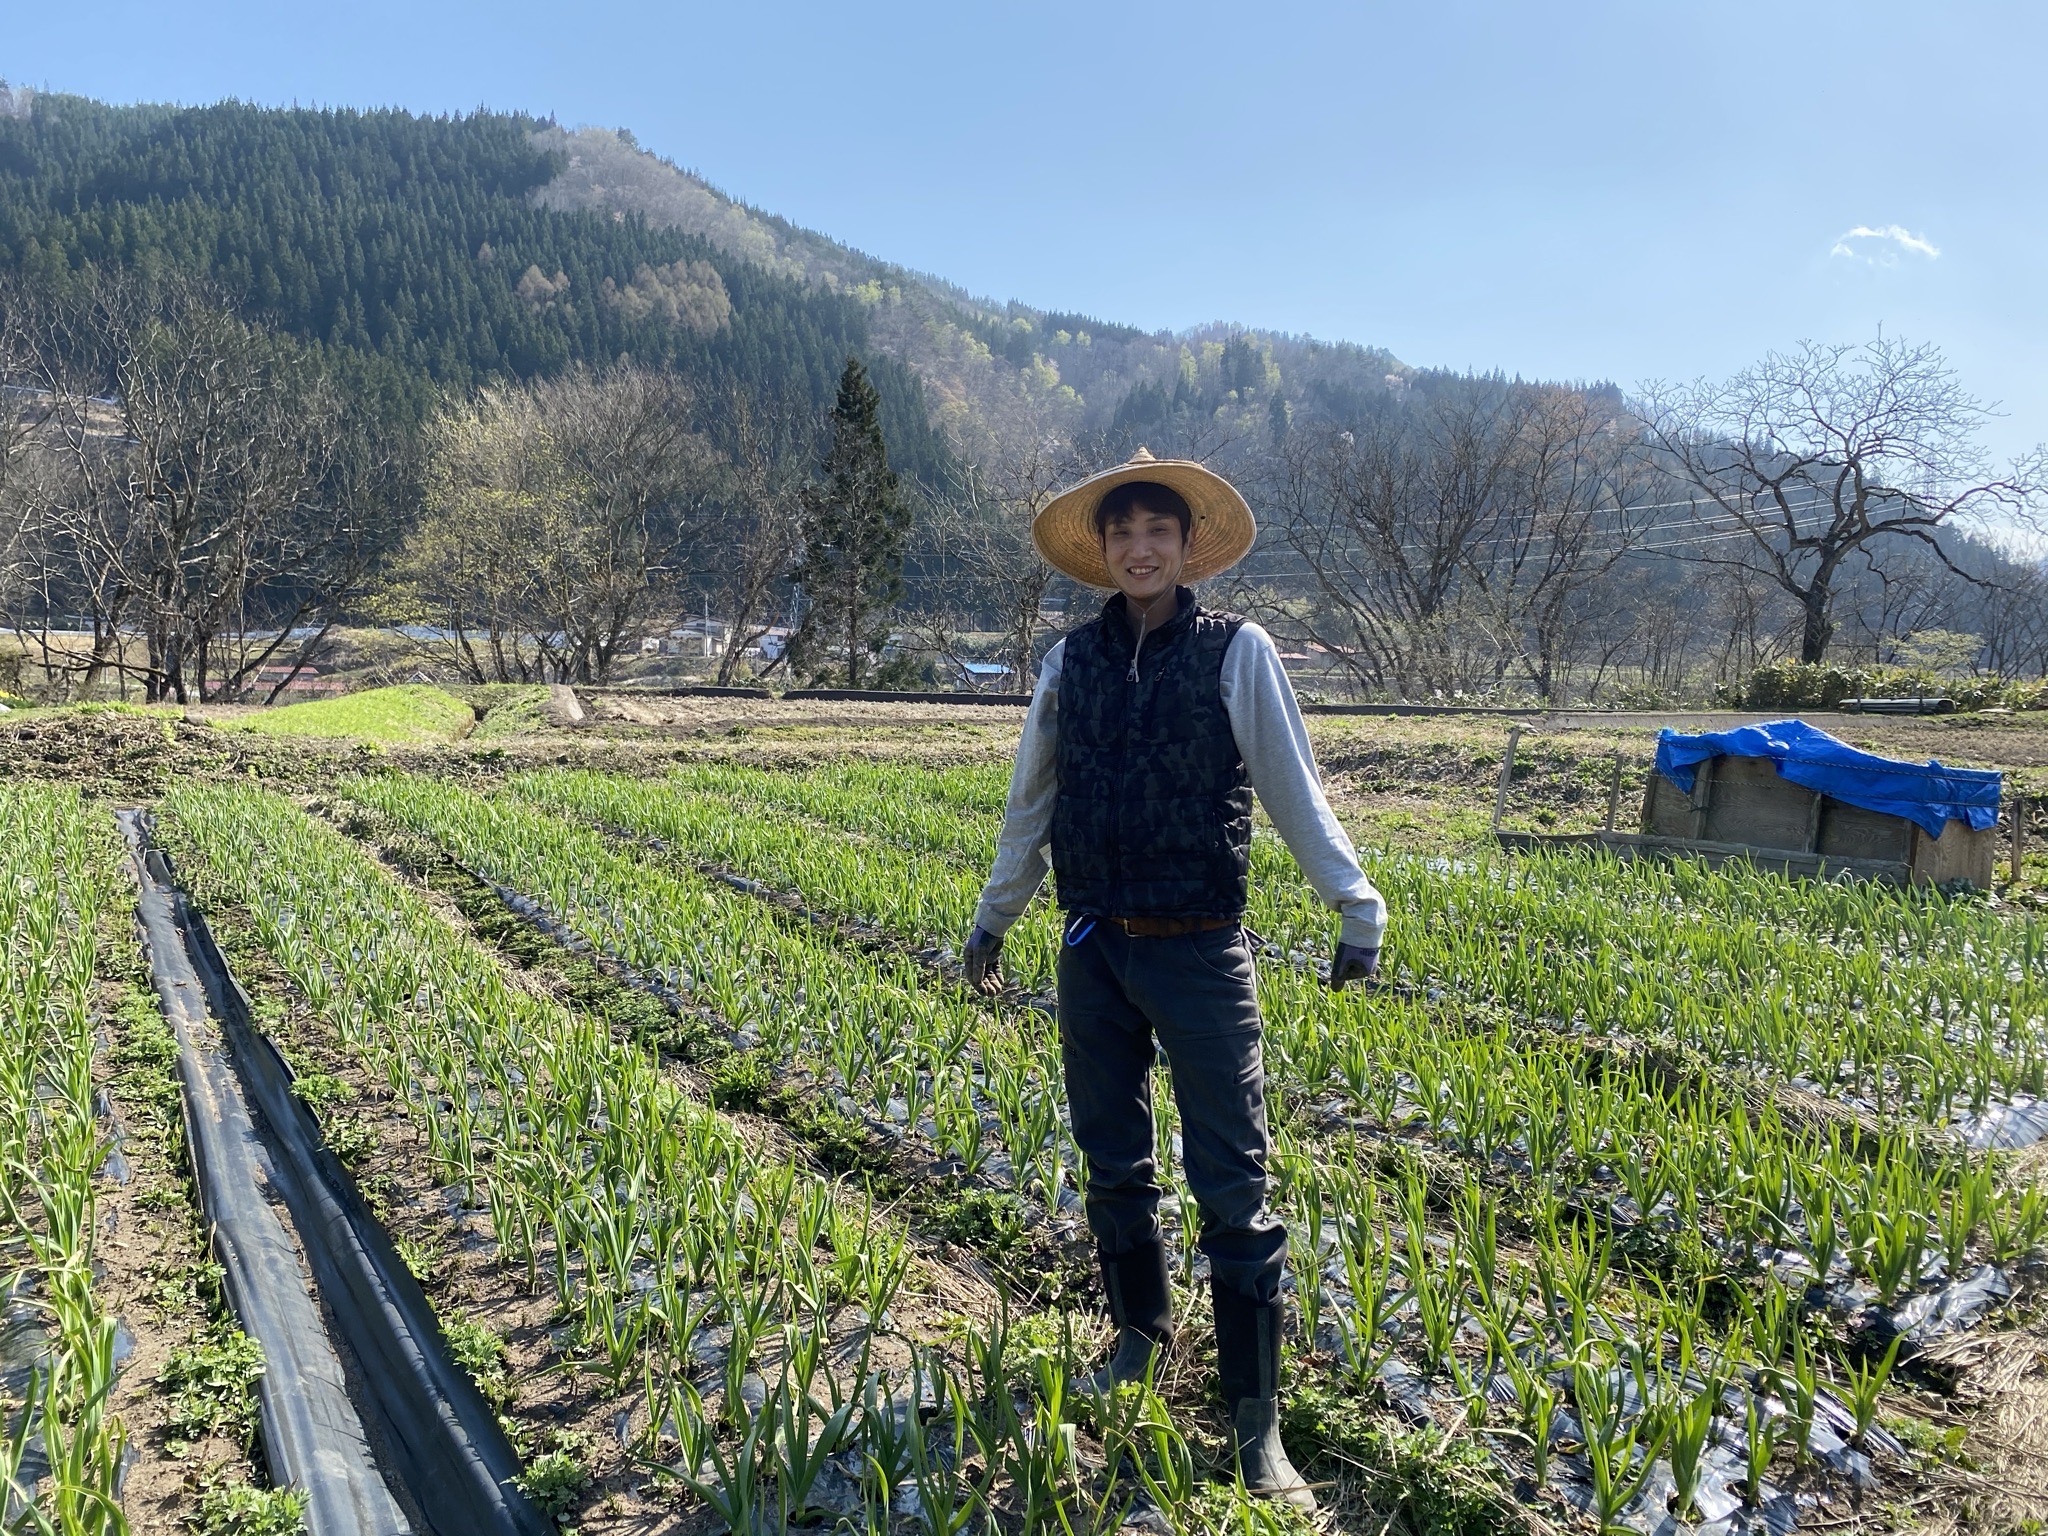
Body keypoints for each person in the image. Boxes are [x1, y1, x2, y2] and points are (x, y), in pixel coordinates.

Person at [962, 448, 1386, 1511]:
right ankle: (1139, 1338)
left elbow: (1291, 786)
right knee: (1113, 1161)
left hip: (1198, 950)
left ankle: (1255, 1422)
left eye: (1158, 531)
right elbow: (1030, 802)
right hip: (1092, 946)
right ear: (1101, 552)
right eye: (1122, 533)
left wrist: (1355, 902)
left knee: (1233, 1183)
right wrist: (993, 918)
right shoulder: (1069, 663)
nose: (1139, 548)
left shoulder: (1236, 652)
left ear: (1188, 547)